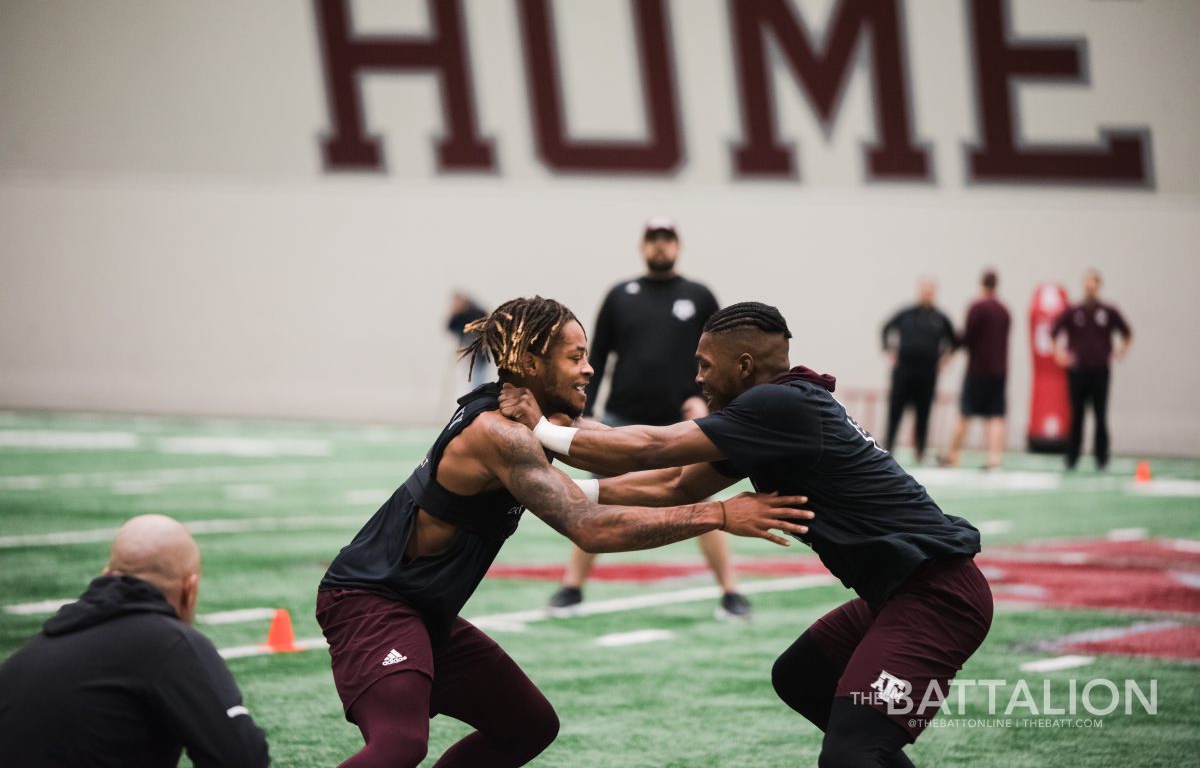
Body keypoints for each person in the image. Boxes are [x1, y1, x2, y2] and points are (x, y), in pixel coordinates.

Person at [315, 296, 812, 768]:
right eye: (576, 357)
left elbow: (646, 463)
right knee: (400, 744)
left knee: (526, 726)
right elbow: (590, 528)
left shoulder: (541, 421)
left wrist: (735, 452)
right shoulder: (499, 432)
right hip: (372, 599)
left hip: (425, 610)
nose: (589, 369)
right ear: (531, 364)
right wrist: (720, 515)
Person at [500, 301, 991, 768]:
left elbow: (650, 448)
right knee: (803, 677)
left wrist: (540, 428)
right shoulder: (772, 415)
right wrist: (563, 491)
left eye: (705, 365)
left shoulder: (778, 405)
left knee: (852, 752)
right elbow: (674, 483)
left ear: (745, 365)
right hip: (900, 592)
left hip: (938, 596)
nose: (697, 377)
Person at [547, 217, 751, 621]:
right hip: (622, 415)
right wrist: (579, 408)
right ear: (643, 246)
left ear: (677, 245)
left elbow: (717, 357)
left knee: (700, 495)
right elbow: (597, 356)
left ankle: (731, 592)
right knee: (599, 494)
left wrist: (704, 403)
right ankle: (572, 586)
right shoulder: (621, 295)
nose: (661, 246)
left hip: (682, 419)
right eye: (654, 240)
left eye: (667, 240)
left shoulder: (699, 295)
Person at [0, 514, 270, 768]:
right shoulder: (172, 644)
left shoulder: (30, 653)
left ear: (107, 575)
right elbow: (243, 759)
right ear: (189, 590)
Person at [1052, 269, 1132, 471]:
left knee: (1100, 415)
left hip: (1100, 371)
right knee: (1076, 415)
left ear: (1099, 286)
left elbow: (1127, 332)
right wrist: (1059, 354)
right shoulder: (1073, 311)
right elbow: (1054, 331)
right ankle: (1072, 458)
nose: (1090, 286)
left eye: (1094, 283)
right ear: (1083, 285)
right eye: (1087, 282)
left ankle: (1102, 458)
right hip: (1078, 372)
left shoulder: (1108, 311)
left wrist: (1121, 351)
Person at [939, 269, 1011, 470]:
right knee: (996, 415)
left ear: (981, 284)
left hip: (978, 369)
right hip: (999, 370)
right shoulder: (1004, 311)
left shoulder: (977, 307)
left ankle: (953, 456)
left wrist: (950, 351)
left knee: (965, 413)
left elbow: (968, 336)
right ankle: (995, 459)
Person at [880, 278, 958, 463]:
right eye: (925, 291)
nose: (927, 295)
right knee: (895, 410)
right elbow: (885, 328)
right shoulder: (906, 313)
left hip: (927, 374)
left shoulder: (940, 318)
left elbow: (954, 340)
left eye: (930, 291)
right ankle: (889, 447)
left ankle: (920, 451)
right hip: (904, 373)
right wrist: (888, 351)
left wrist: (945, 358)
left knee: (923, 413)